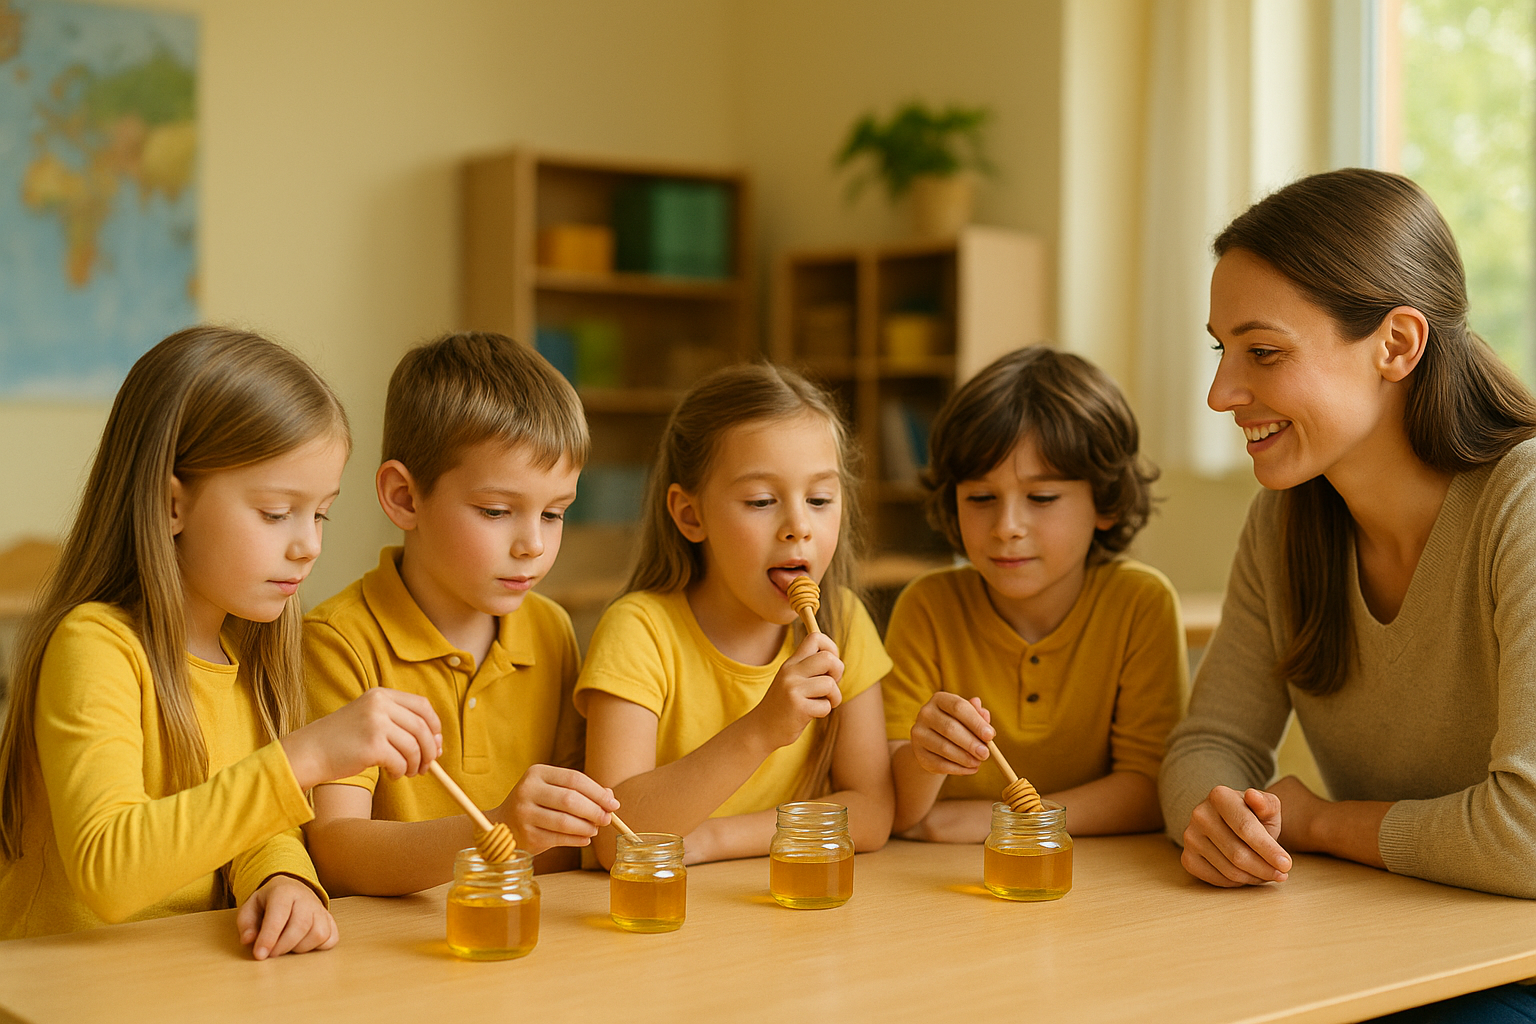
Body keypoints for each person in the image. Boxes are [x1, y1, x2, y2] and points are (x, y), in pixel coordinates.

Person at [0, 327, 444, 957]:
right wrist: (306, 755)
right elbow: (109, 870)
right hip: (58, 986)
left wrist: (284, 878)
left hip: (184, 976)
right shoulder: (95, 646)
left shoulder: (251, 652)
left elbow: (253, 821)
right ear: (170, 506)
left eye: (320, 513)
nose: (309, 545)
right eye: (276, 513)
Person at [1164, 168, 1536, 901]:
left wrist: (1320, 824)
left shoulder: (1521, 503)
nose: (1220, 394)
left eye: (1263, 352)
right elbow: (1209, 744)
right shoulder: (1284, 520)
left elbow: (1528, 837)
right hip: (1392, 928)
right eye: (1220, 351)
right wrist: (1217, 821)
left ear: (1396, 344)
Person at [303, 331, 618, 894]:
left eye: (554, 514)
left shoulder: (550, 629)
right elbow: (336, 851)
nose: (533, 545)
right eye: (496, 511)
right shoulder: (338, 641)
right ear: (404, 497)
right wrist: (498, 831)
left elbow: (577, 839)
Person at [576, 363, 894, 868]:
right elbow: (615, 838)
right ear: (690, 515)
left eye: (819, 499)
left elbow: (872, 811)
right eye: (762, 501)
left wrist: (712, 840)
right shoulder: (640, 631)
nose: (799, 526)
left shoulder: (844, 621)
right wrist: (762, 729)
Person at [884, 346, 1185, 842]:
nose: (1006, 527)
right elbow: (902, 810)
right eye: (981, 497)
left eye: (1042, 498)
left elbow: (1149, 789)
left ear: (1106, 501)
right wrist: (925, 758)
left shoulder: (1140, 603)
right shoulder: (927, 607)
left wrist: (1001, 820)